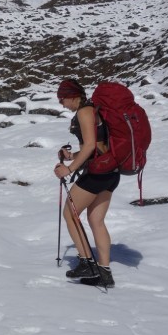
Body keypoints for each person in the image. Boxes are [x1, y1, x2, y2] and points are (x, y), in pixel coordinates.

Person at [53, 79, 117, 287]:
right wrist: (72, 157)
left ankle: (87, 263)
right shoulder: (92, 111)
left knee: (69, 213)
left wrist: (68, 169)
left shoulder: (84, 111)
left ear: (72, 95)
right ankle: (104, 273)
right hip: (110, 171)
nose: (62, 104)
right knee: (96, 220)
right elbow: (97, 147)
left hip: (98, 173)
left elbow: (90, 146)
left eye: (62, 99)